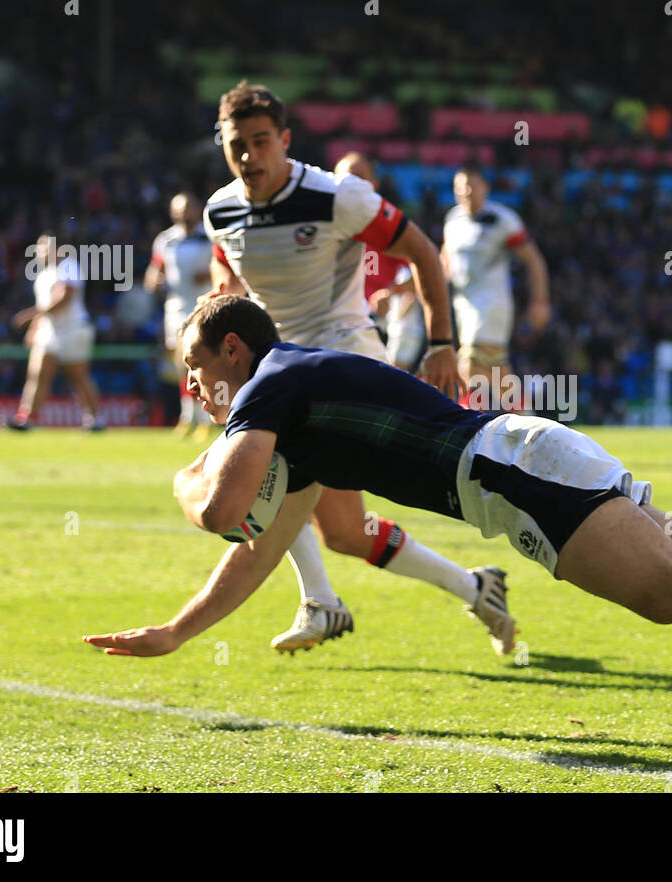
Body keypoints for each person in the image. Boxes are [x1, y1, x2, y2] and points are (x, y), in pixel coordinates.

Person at [84, 295, 672, 708]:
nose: (197, 393)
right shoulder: (295, 404)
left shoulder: (267, 386)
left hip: (509, 474)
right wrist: (176, 630)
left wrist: (181, 475)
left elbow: (219, 508)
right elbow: (260, 538)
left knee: (671, 595)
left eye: (197, 373)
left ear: (233, 353)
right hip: (523, 456)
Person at [201, 82, 512, 655]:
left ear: (286, 141)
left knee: (261, 476)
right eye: (236, 144)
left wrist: (442, 342)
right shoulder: (220, 210)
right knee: (344, 531)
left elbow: (419, 249)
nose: (249, 156)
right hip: (278, 371)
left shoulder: (335, 196)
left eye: (261, 141)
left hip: (345, 359)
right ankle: (475, 586)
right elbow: (229, 286)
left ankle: (321, 601)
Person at [442, 161, 550, 409]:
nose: (465, 192)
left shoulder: (502, 220)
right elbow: (445, 259)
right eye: (460, 187)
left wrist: (540, 301)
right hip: (463, 305)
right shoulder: (453, 219)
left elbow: (533, 260)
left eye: (471, 186)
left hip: (491, 304)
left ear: (485, 188)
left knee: (469, 362)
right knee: (496, 371)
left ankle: (468, 423)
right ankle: (527, 422)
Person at [333, 152, 425, 372]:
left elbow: (424, 268)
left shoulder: (388, 226)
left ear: (373, 184)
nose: (351, 185)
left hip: (381, 326)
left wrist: (393, 293)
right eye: (345, 178)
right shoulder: (320, 229)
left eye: (359, 178)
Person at [7, 233, 104, 431]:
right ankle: (26, 418)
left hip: (74, 328)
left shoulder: (68, 266)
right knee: (37, 373)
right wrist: (34, 328)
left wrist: (30, 315)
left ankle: (95, 419)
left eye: (45, 248)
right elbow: (43, 305)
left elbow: (65, 296)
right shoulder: (43, 275)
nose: (41, 252)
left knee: (78, 376)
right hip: (50, 330)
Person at [144, 192, 211, 438]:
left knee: (204, 360)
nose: (184, 213)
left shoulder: (210, 235)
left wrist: (207, 275)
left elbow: (224, 266)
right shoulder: (166, 240)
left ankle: (207, 416)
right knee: (182, 363)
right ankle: (188, 416)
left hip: (204, 305)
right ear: (173, 213)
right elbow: (156, 268)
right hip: (176, 307)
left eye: (189, 208)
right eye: (180, 209)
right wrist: (153, 280)